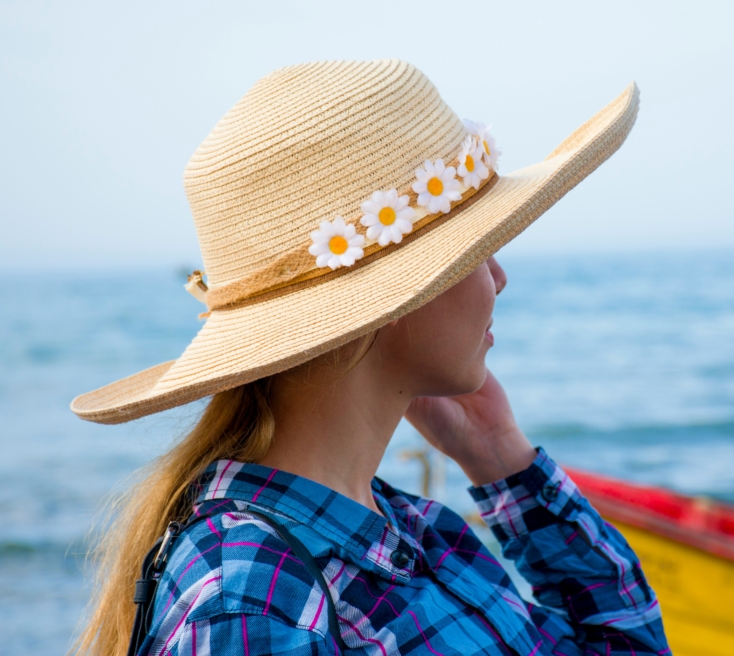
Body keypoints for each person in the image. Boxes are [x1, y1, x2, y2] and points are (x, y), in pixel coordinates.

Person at [71, 60, 670, 656]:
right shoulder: (252, 603)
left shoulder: (415, 533)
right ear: (396, 298)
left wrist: (498, 456)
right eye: (478, 250)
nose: (500, 277)